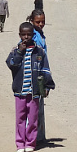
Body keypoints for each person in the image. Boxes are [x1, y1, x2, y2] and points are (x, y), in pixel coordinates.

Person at [6, 22, 54, 152]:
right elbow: (11, 65)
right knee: (20, 118)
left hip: (34, 92)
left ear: (33, 35)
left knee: (32, 119)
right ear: (19, 35)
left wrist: (47, 86)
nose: (26, 37)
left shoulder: (39, 51)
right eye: (23, 34)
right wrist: (20, 52)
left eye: (29, 34)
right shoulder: (15, 50)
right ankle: (20, 143)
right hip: (20, 92)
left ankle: (30, 142)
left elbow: (45, 69)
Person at [27, 9, 53, 142]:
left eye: (43, 21)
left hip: (42, 72)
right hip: (34, 73)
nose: (41, 24)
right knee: (33, 107)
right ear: (32, 21)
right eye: (38, 22)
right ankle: (32, 137)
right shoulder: (32, 35)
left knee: (40, 105)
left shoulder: (41, 35)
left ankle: (39, 137)